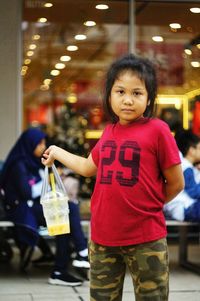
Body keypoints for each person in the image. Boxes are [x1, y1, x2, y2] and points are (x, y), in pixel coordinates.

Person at [42, 54, 184, 301]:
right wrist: (57, 152)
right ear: (109, 95)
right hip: (103, 238)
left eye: (137, 93)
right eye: (120, 91)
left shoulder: (158, 130)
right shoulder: (109, 132)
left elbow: (176, 183)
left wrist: (149, 207)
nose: (128, 100)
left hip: (146, 239)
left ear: (149, 97)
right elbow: (88, 167)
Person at [0, 128, 82, 286]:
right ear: (29, 144)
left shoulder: (32, 160)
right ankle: (77, 254)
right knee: (66, 211)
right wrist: (47, 177)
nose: (43, 147)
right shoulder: (18, 164)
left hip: (34, 205)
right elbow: (27, 193)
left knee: (64, 213)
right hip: (21, 209)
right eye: (40, 143)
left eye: (44, 143)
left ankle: (65, 266)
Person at [164, 130, 200, 222]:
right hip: (185, 208)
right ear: (192, 150)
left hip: (186, 207)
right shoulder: (185, 167)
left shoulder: (187, 166)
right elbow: (194, 192)